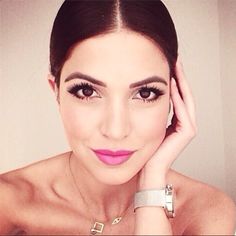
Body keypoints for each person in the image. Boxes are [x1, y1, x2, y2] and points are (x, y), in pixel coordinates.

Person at [0, 0, 235, 235]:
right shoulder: (8, 203)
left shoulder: (206, 211)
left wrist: (152, 185)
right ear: (57, 92)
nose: (115, 130)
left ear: (175, 97)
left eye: (145, 93)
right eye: (87, 91)